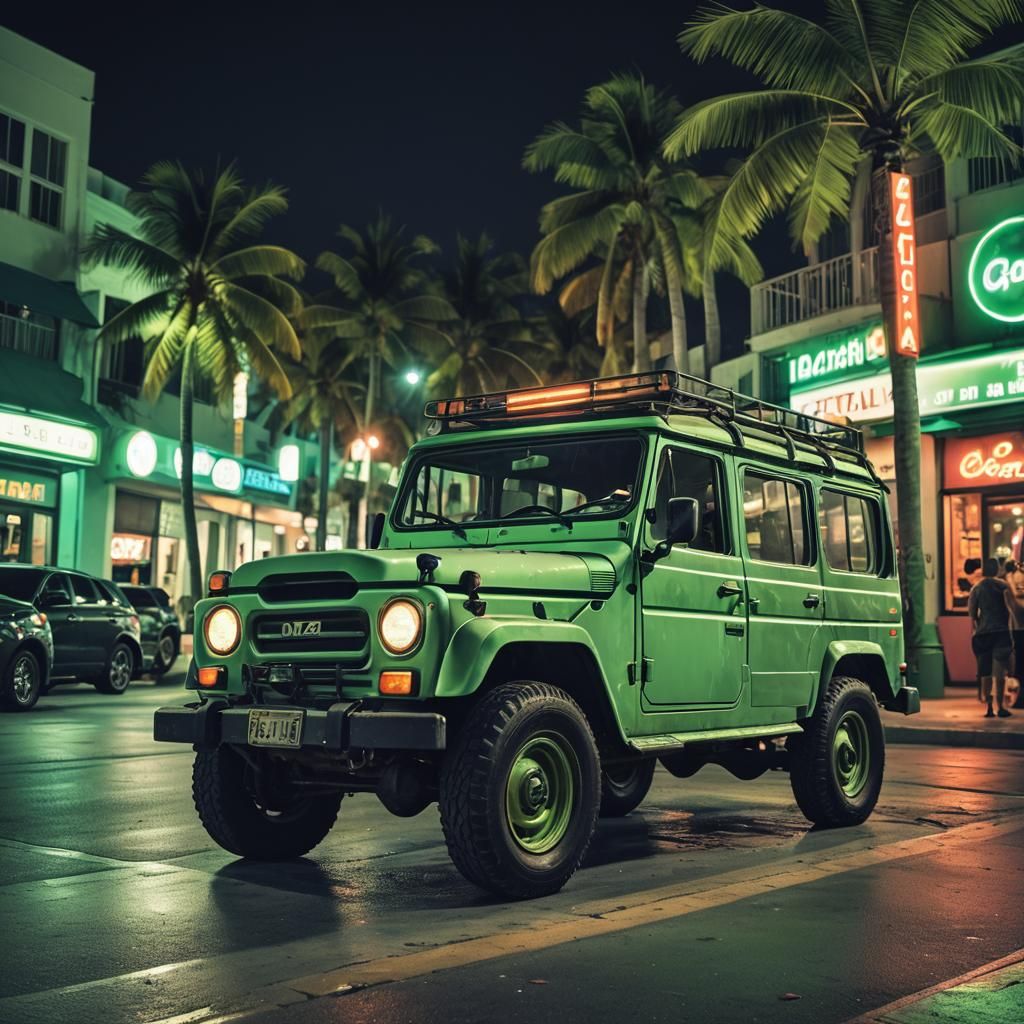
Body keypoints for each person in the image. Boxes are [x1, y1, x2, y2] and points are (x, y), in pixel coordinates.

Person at [968, 558, 1020, 718]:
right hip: (1001, 634)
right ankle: (1001, 707)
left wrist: (979, 625)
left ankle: (989, 707)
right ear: (997, 569)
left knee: (985, 672)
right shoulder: (1004, 586)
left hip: (983, 634)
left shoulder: (977, 588)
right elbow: (1012, 608)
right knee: (999, 673)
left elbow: (972, 613)